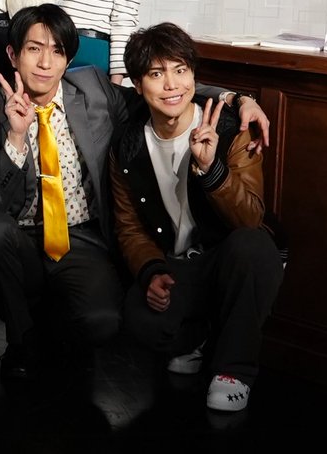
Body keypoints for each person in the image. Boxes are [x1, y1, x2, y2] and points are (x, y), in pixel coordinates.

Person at [0, 5, 267, 382]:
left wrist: (236, 98)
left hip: (82, 237)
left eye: (58, 51)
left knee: (103, 323)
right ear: (13, 54)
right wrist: (16, 137)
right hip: (20, 238)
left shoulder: (94, 89)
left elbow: (164, 93)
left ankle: (53, 324)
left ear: (68, 59)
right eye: (34, 49)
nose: (46, 62)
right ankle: (20, 340)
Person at [112, 23, 283, 412]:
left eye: (180, 70)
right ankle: (201, 337)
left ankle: (234, 371)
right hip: (179, 265)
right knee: (141, 321)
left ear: (193, 75)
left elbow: (250, 218)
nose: (171, 84)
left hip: (227, 257)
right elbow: (129, 227)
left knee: (252, 246)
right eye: (156, 74)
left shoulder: (232, 127)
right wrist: (151, 270)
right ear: (137, 85)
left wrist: (211, 170)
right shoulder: (127, 143)